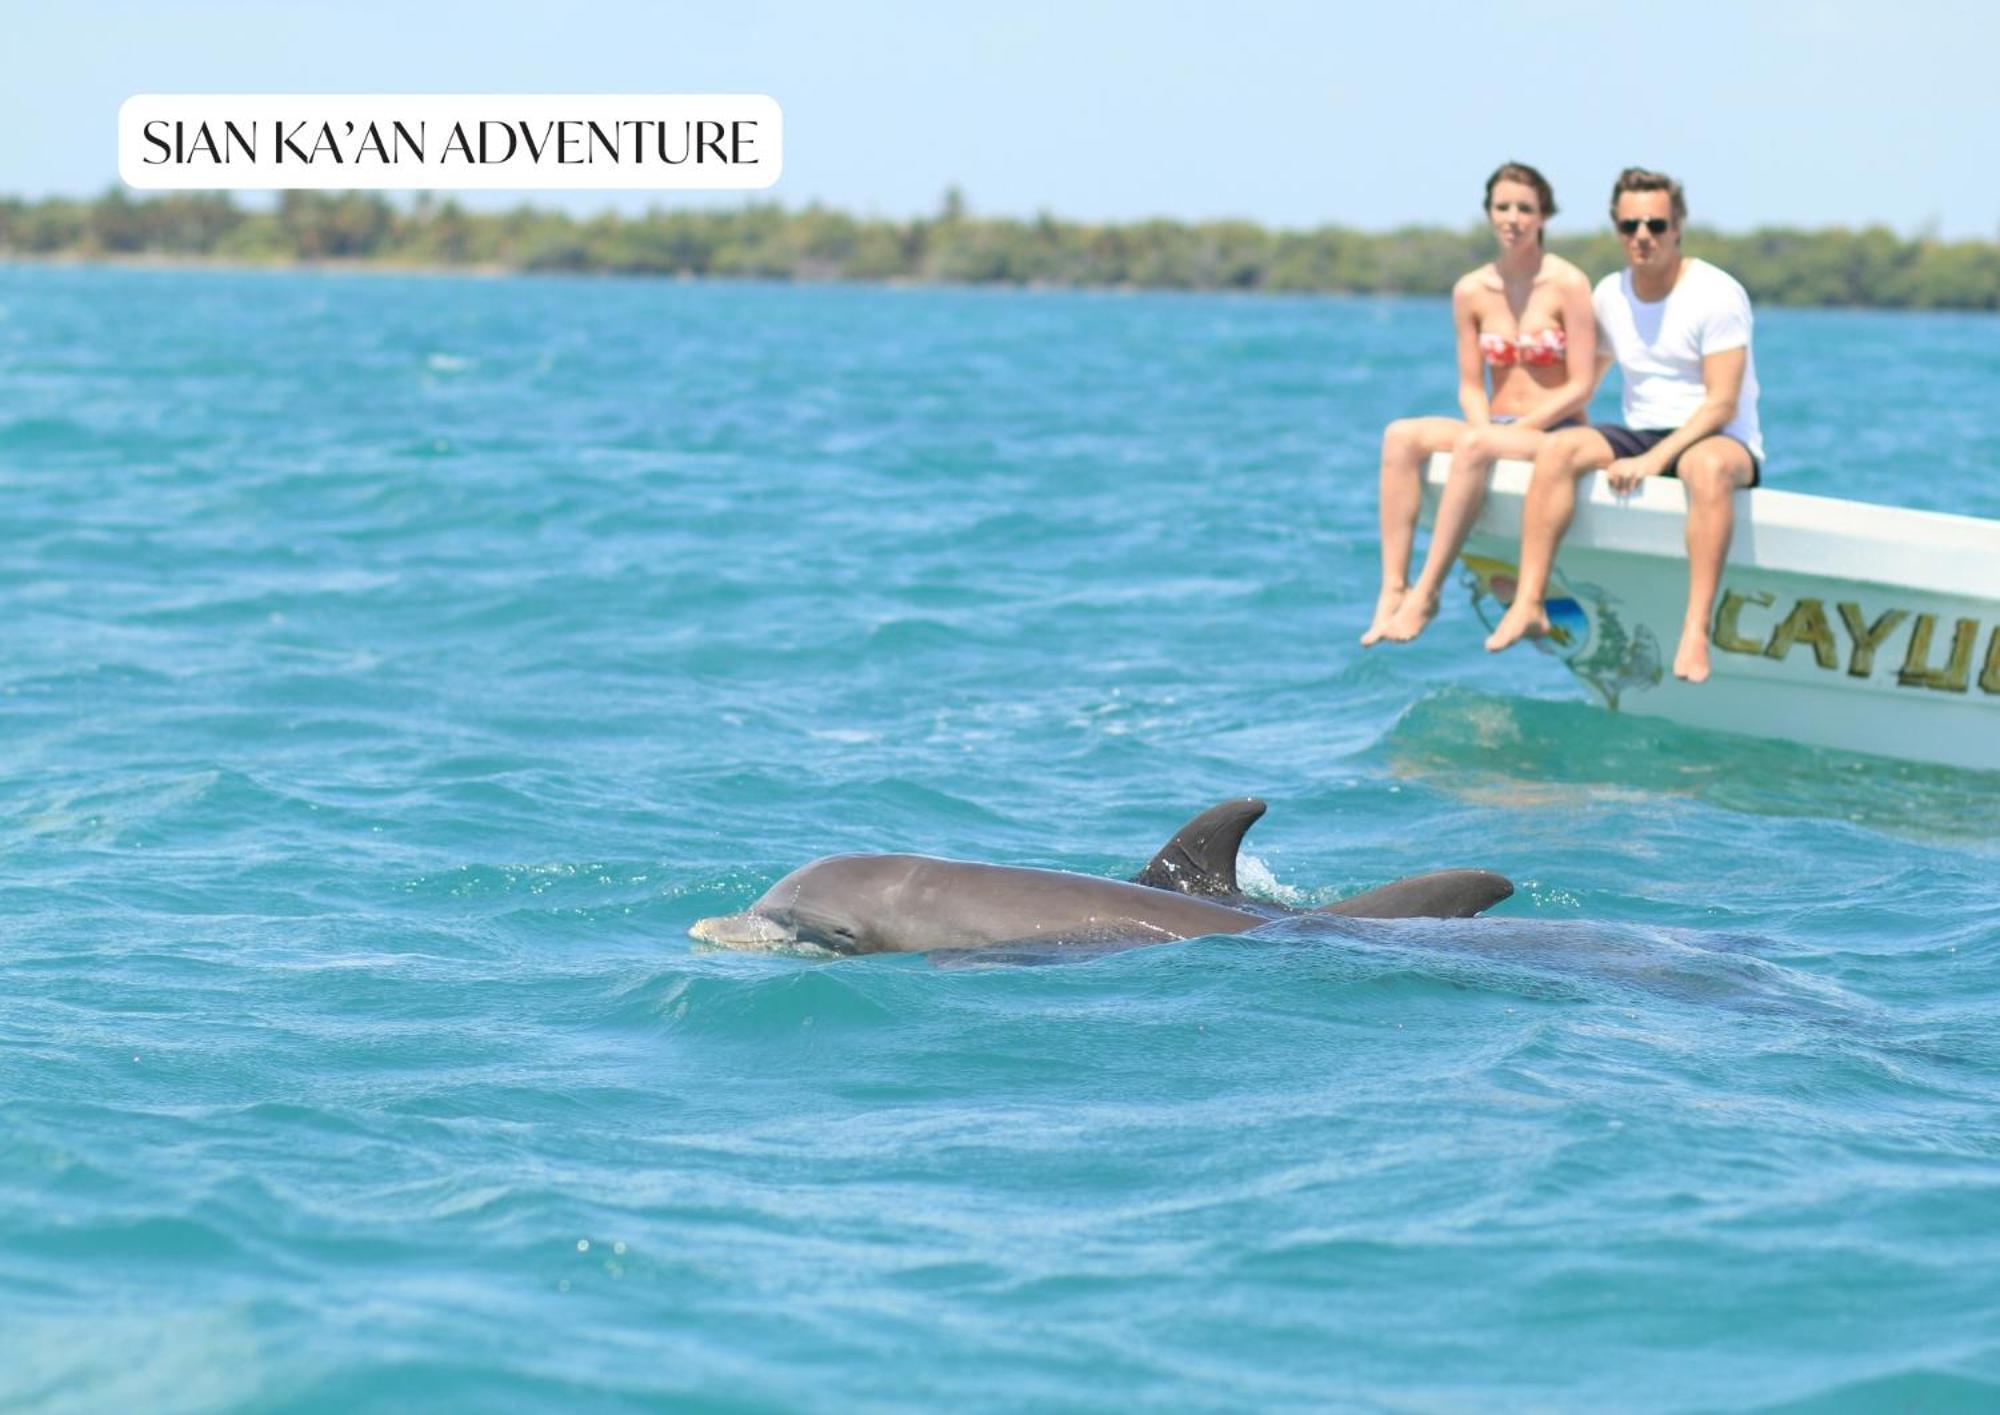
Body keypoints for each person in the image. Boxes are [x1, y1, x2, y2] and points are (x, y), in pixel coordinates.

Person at [1483, 167, 1764, 682]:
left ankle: (1694, 631)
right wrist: (1517, 428)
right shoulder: (1610, 294)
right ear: (1616, 227)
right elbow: (1583, 382)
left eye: (1655, 225)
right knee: (1560, 450)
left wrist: (1655, 461)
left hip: (1717, 437)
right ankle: (1530, 603)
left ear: (1677, 227)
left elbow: (1722, 403)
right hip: (1641, 431)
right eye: (1630, 225)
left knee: (1703, 467)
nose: (1642, 237)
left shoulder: (1715, 293)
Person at [1362, 162, 1597, 646]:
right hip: (1496, 425)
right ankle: (1393, 587)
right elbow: (1471, 384)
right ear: (1489, 213)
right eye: (1502, 207)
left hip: (1554, 429)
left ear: (1544, 216)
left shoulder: (1568, 284)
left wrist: (1513, 430)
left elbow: (1581, 384)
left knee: (1475, 448)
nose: (1512, 218)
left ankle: (1426, 593)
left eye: (1525, 209)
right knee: (1401, 437)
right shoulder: (1470, 291)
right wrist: (1483, 426)